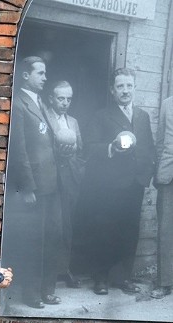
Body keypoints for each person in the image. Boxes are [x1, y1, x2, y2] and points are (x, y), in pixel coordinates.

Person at [75, 68, 155, 296]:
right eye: (120, 86)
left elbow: (148, 147)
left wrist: (145, 175)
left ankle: (123, 277)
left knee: (130, 230)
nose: (125, 91)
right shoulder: (101, 115)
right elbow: (89, 147)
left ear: (134, 88)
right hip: (109, 186)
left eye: (129, 86)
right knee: (106, 230)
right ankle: (101, 277)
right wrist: (110, 147)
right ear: (113, 90)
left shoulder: (142, 116)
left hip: (135, 184)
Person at [1, 56, 62, 309]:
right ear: (25, 75)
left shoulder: (40, 103)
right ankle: (31, 293)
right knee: (33, 242)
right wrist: (27, 187)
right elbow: (20, 150)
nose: (45, 77)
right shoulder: (20, 103)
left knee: (51, 237)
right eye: (41, 73)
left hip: (51, 184)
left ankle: (46, 289)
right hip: (34, 187)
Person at [44, 80, 85, 288]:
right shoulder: (45, 116)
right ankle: (49, 273)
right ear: (51, 98)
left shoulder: (74, 122)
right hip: (51, 179)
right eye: (61, 98)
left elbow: (80, 149)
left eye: (69, 99)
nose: (65, 102)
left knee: (67, 225)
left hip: (70, 179)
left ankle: (64, 269)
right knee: (54, 226)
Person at [152, 95, 173, 299]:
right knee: (166, 231)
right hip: (168, 174)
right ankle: (165, 282)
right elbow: (160, 141)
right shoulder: (168, 103)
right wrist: (158, 172)